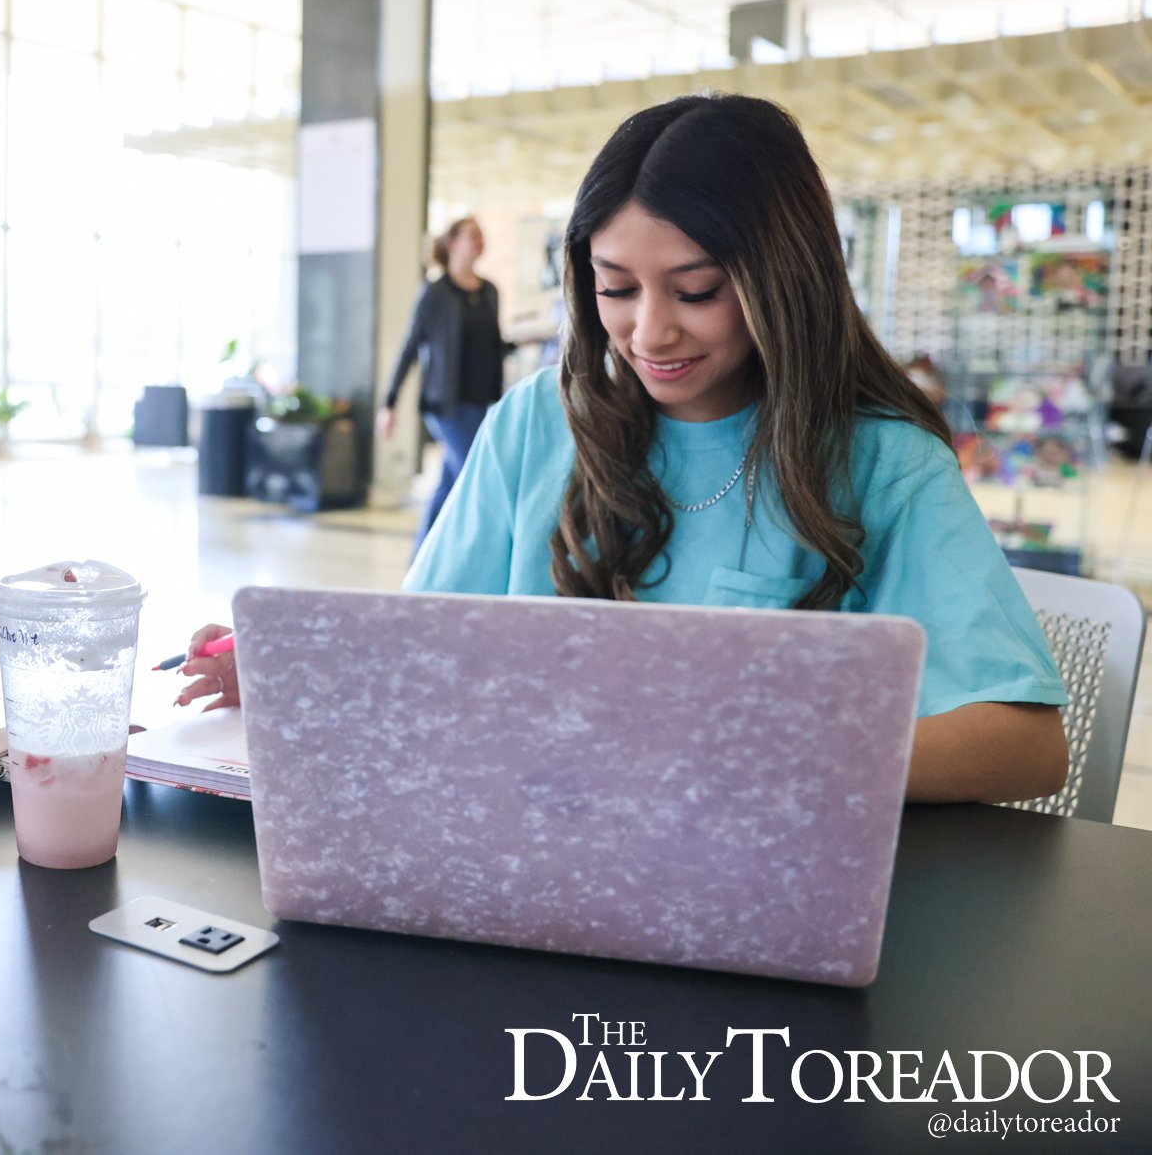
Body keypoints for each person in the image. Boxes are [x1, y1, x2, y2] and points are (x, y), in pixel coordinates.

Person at [179, 93, 1067, 805]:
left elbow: (1025, 747)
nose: (651, 333)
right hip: (529, 849)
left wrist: (755, 764)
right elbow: (433, 643)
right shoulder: (537, 421)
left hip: (755, 880)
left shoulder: (882, 463)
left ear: (783, 278)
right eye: (615, 289)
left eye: (698, 291)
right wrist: (303, 670)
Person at [379, 216, 508, 551]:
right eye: (473, 236)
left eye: (482, 236)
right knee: (478, 474)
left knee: (450, 482)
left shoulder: (490, 291)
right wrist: (389, 403)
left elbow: (492, 345)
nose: (481, 241)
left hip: (483, 403)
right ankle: (466, 555)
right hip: (446, 405)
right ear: (452, 243)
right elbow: (410, 347)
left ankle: (422, 558)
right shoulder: (435, 292)